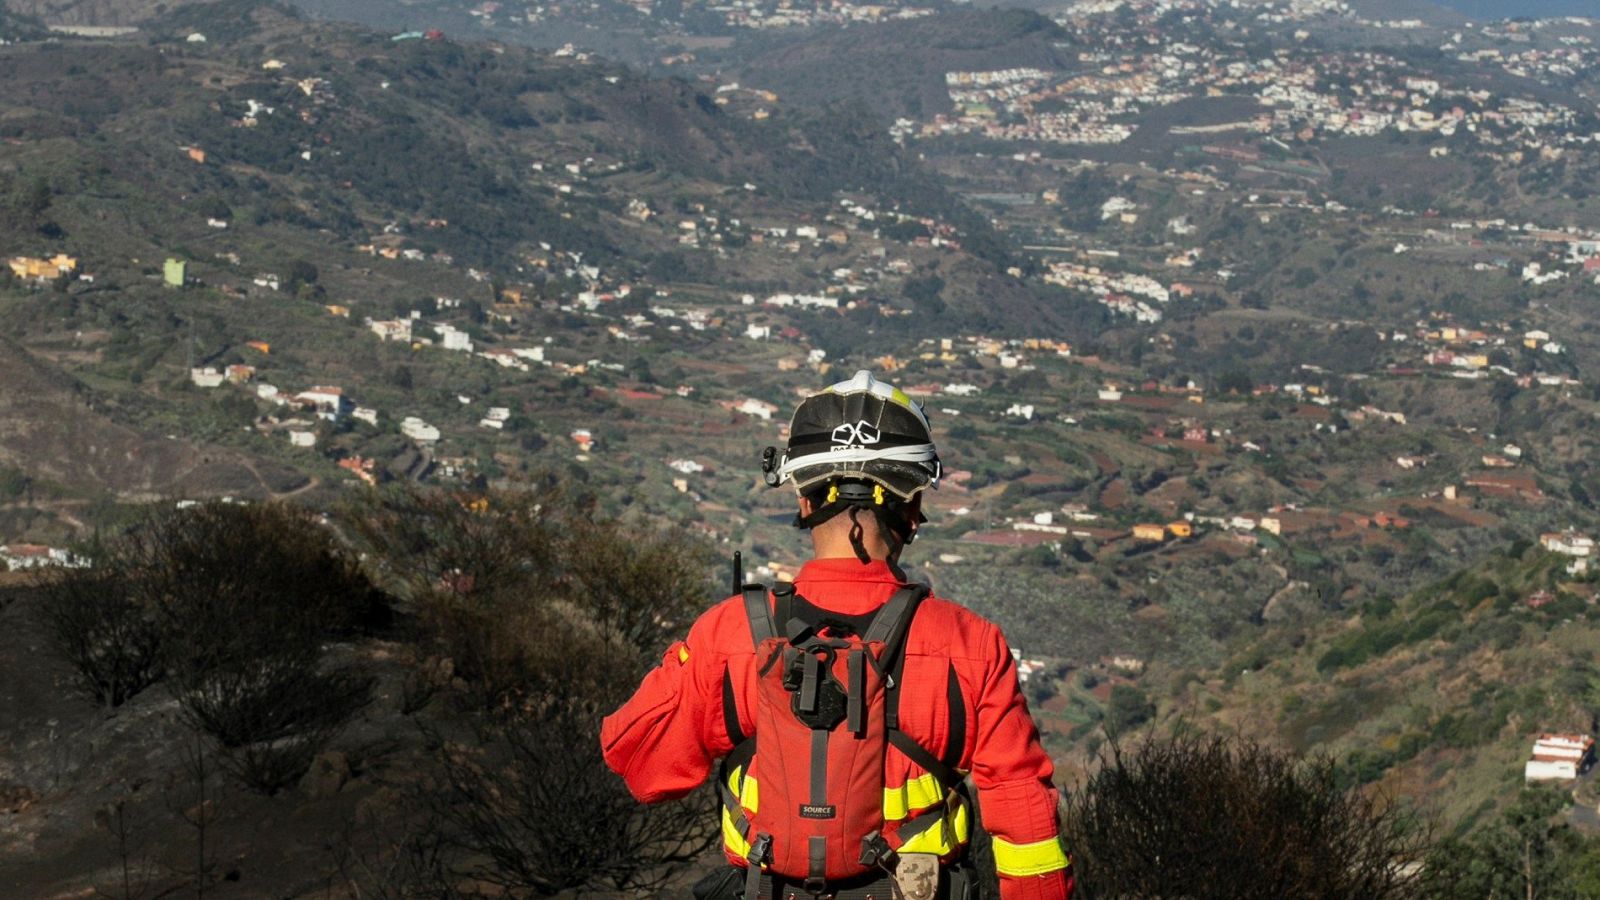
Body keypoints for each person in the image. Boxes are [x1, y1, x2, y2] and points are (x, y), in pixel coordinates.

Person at [602, 370, 1072, 899]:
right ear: (913, 509)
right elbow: (1026, 816)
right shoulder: (969, 645)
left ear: (803, 500)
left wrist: (696, 655)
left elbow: (641, 766)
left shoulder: (730, 632)